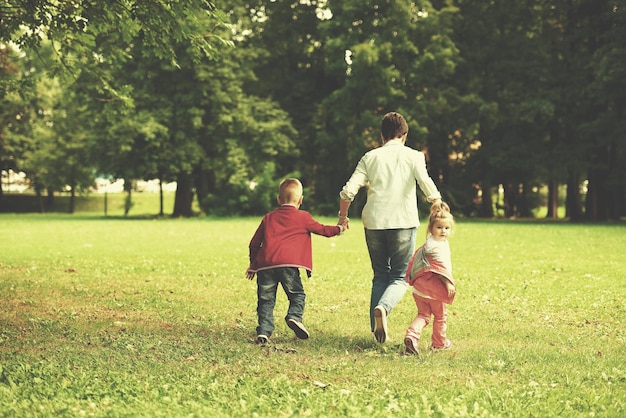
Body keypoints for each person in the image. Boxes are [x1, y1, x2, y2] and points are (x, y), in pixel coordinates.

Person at [337, 111, 442, 343]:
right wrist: (436, 201)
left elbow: (348, 191)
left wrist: (342, 216)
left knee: (380, 275)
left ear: (382, 135)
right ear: (404, 135)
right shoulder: (414, 156)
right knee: (400, 277)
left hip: (374, 223)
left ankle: (376, 332)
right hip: (403, 222)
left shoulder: (370, 157)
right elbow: (425, 182)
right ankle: (383, 308)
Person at [247, 178, 347, 345]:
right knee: (297, 295)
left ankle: (263, 332)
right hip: (289, 266)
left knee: (265, 300)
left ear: (278, 199)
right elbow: (322, 230)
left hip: (266, 266)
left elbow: (254, 244)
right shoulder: (303, 217)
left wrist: (253, 265)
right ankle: (294, 316)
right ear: (300, 200)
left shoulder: (269, 217)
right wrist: (340, 228)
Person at [403, 203, 456, 355]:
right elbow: (439, 268)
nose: (443, 231)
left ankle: (411, 337)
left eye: (447, 228)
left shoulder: (429, 244)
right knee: (440, 316)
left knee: (423, 315)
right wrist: (447, 283)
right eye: (439, 227)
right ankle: (439, 344)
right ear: (431, 229)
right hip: (434, 291)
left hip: (419, 290)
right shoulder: (437, 248)